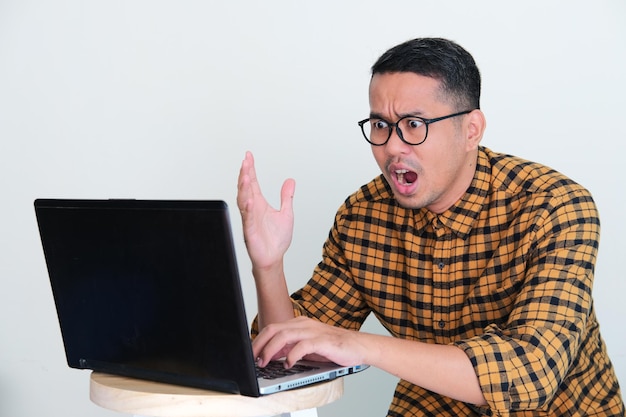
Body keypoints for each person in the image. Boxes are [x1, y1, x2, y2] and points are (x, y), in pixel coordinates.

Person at [236, 37, 624, 416]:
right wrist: (269, 266)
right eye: (380, 125)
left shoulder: (554, 206)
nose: (392, 147)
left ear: (471, 129)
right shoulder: (363, 217)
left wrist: (360, 345)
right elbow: (288, 352)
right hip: (434, 404)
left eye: (414, 124)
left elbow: (530, 373)